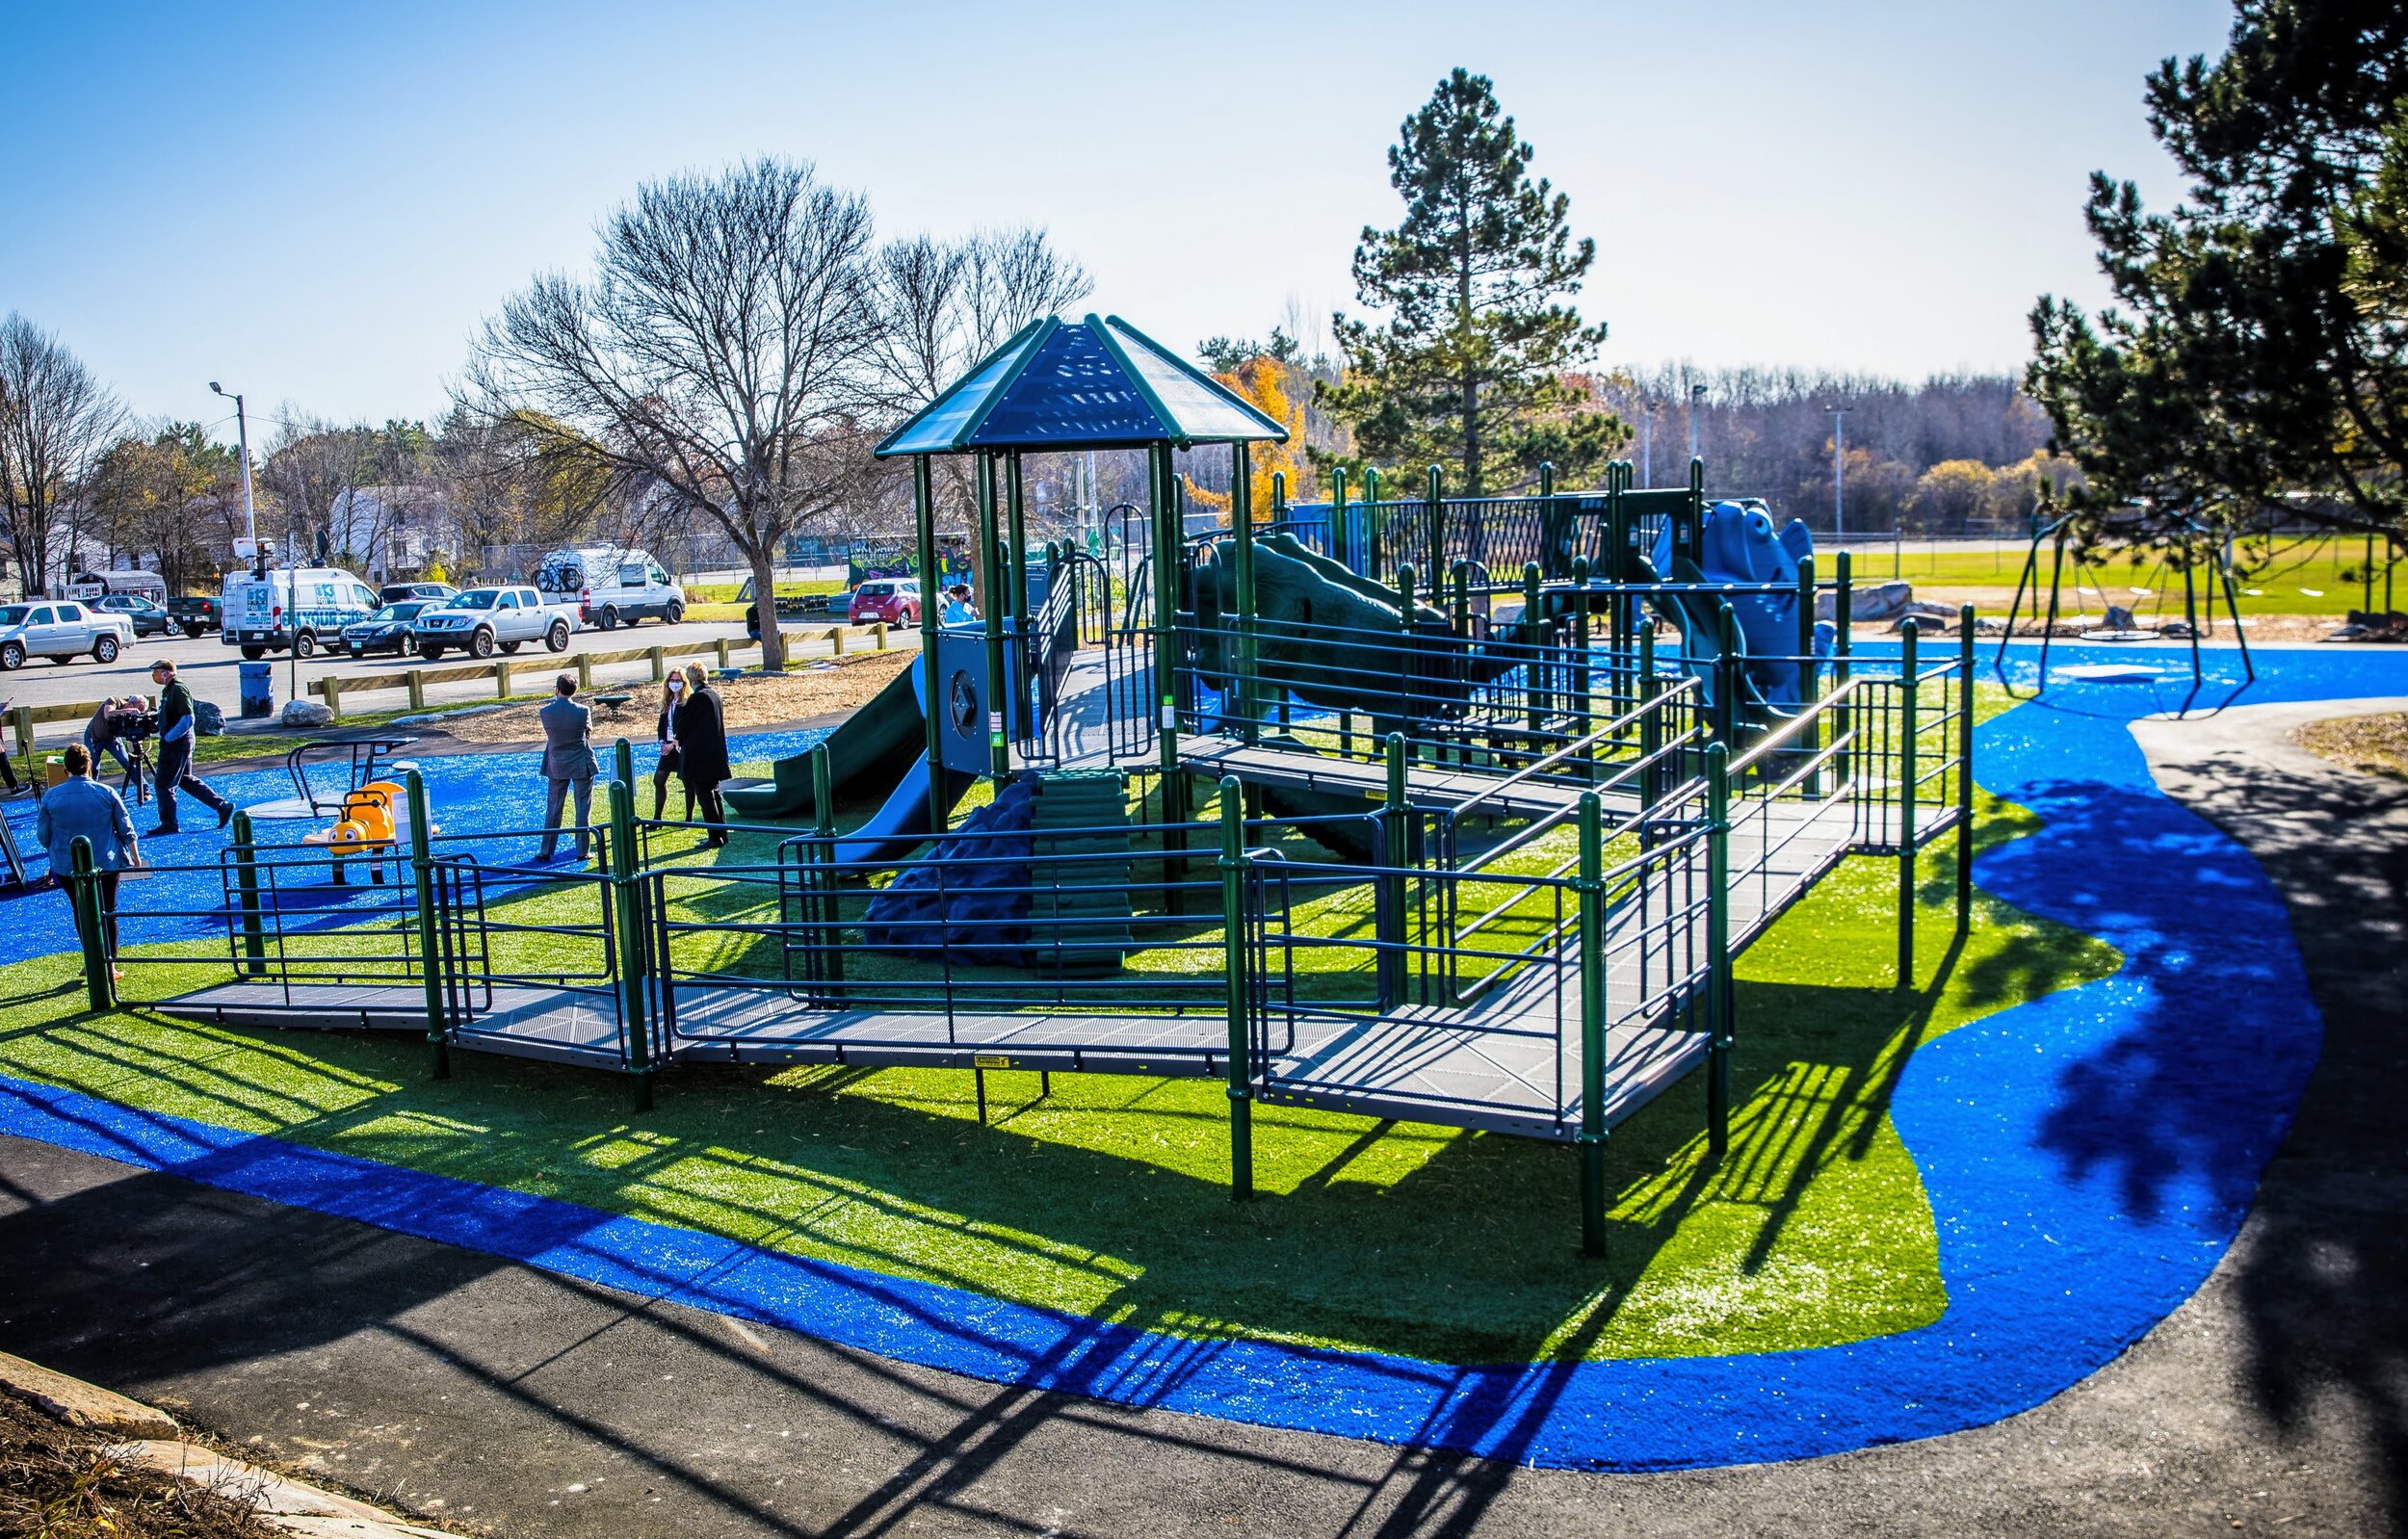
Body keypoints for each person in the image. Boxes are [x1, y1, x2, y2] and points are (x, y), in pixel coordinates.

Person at [37, 742, 137, 978]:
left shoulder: (52, 796)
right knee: (108, 910)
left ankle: (92, 959)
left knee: (81, 910)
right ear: (89, 765)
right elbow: (125, 826)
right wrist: (135, 855)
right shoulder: (106, 792)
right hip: (106, 861)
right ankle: (110, 964)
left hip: (68, 864)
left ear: (66, 769)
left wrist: (56, 849)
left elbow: (43, 835)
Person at [148, 659, 231, 834]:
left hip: (176, 744)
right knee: (185, 780)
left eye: (157, 671)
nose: (155, 675)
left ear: (167, 672)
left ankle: (169, 824)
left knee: (163, 784)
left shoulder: (178, 689)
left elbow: (188, 718)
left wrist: (170, 737)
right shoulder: (169, 690)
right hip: (179, 742)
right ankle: (221, 806)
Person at [537, 672, 599, 862]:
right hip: (580, 761)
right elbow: (587, 733)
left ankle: (547, 849)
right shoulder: (583, 711)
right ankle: (582, 850)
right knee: (582, 807)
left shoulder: (546, 712)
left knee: (554, 807)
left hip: (557, 762)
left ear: (557, 689)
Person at [673, 663, 729, 848]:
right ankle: (722, 832)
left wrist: (678, 738)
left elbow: (684, 726)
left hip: (700, 758)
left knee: (705, 797)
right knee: (715, 794)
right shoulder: (714, 695)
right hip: (715, 754)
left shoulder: (697, 698)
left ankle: (714, 836)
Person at [652, 672, 692, 822]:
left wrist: (673, 743)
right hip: (667, 747)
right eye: (672, 680)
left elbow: (684, 727)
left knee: (688, 782)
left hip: (681, 746)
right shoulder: (667, 702)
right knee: (659, 779)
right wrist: (663, 742)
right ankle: (657, 819)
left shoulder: (686, 702)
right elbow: (661, 726)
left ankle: (689, 818)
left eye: (678, 680)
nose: (675, 683)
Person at [84, 697, 137, 788]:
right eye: (136, 710)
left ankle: (145, 789)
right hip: (94, 737)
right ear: (131, 705)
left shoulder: (132, 715)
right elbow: (107, 714)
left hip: (112, 739)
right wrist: (127, 711)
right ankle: (91, 789)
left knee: (127, 763)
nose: (136, 713)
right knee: (93, 766)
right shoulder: (113, 700)